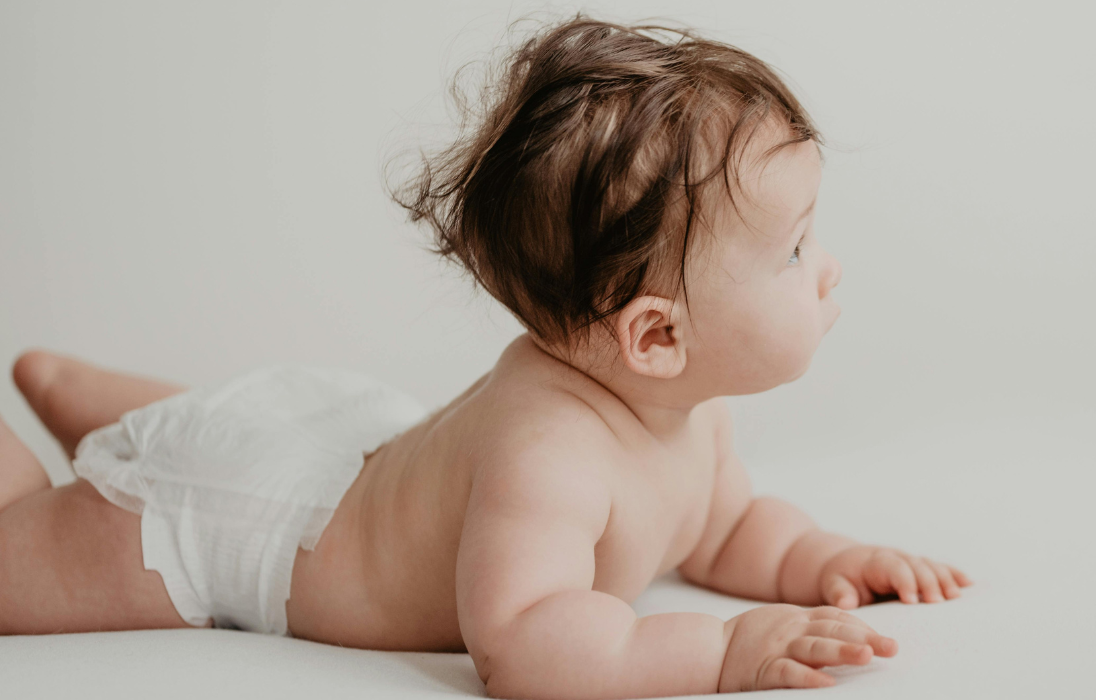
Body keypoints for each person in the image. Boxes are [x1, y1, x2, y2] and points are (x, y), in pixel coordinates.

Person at [0, 16, 970, 699]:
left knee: (215, 428)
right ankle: (51, 456)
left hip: (325, 445)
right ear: (657, 335)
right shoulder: (549, 454)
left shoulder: (681, 409)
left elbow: (722, 527)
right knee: (21, 560)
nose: (828, 267)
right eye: (795, 250)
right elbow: (524, 642)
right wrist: (717, 650)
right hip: (252, 525)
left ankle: (70, 389)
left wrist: (824, 561)